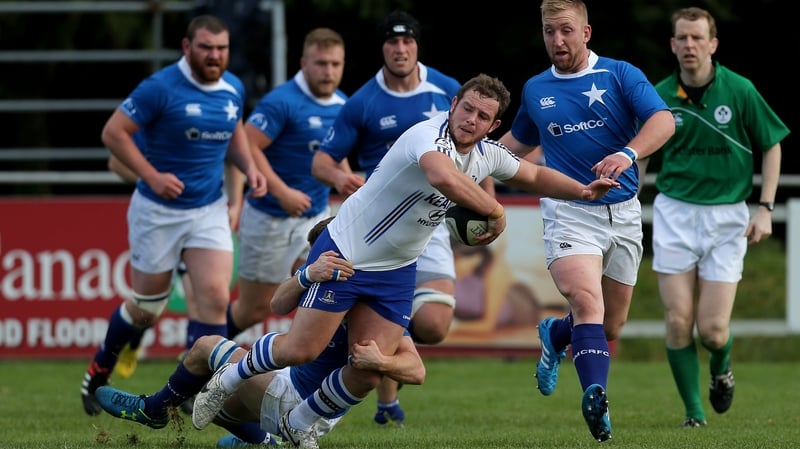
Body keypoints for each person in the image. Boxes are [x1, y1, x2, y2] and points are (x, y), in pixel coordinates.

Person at [192, 73, 619, 449]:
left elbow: (534, 175)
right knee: (300, 349)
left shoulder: (488, 153)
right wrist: (495, 210)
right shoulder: (427, 135)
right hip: (348, 251)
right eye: (466, 108)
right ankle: (227, 380)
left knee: (369, 366)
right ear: (453, 104)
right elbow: (442, 176)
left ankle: (300, 425)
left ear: (494, 126)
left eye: (482, 116)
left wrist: (582, 190)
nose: (470, 119)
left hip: (396, 270)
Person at [497, 0, 676, 442]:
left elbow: (663, 120)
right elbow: (512, 147)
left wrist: (627, 153)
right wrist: (461, 165)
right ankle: (597, 399)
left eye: (566, 30)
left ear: (586, 32)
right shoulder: (536, 89)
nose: (557, 40)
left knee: (609, 325)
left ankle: (555, 333)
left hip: (624, 212)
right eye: (549, 31)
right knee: (586, 302)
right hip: (568, 212)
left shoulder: (619, 74)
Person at [92, 218, 425, 447]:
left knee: (206, 347)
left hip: (304, 401)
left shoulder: (370, 309)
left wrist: (381, 362)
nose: (312, 259)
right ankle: (267, 443)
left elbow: (417, 370)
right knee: (211, 402)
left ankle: (154, 410)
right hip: (292, 387)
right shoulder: (323, 279)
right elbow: (277, 304)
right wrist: (308, 274)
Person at [81, 14, 268, 417]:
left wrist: (249, 167)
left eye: (222, 49)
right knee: (146, 308)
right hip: (157, 211)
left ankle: (197, 390)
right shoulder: (160, 87)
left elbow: (233, 130)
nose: (215, 56)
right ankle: (98, 371)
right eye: (206, 48)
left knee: (216, 298)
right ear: (187, 47)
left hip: (208, 208)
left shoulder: (233, 87)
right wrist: (151, 176)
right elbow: (113, 133)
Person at [310, 10, 475, 425]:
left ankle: (377, 349)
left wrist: (482, 198)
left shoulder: (448, 90)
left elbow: (476, 149)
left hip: (429, 222)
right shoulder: (363, 101)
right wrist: (340, 176)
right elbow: (322, 161)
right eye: (392, 42)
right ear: (382, 48)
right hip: (376, 229)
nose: (400, 49)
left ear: (417, 44)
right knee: (379, 316)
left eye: (407, 41)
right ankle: (385, 403)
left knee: (434, 325)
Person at [639, 7, 790, 429]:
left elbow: (772, 145)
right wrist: (625, 203)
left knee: (713, 331)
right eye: (682, 38)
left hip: (727, 218)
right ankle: (694, 415)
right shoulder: (658, 95)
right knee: (677, 322)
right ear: (672, 45)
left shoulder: (740, 90)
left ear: (713, 44)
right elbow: (641, 153)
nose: (690, 45)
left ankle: (721, 368)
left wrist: (765, 208)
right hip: (674, 213)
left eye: (697, 38)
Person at [224, 27, 349, 344]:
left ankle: (318, 364)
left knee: (326, 289)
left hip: (316, 217)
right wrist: (282, 192)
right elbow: (247, 147)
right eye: (321, 64)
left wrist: (349, 183)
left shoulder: (343, 105)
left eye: (335, 64)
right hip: (271, 219)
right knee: (254, 310)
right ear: (304, 63)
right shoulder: (281, 102)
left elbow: (337, 152)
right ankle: (200, 351)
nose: (328, 71)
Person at [106, 153, 245, 381]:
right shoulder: (157, 136)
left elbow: (234, 159)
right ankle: (134, 342)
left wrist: (235, 203)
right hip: (160, 223)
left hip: (202, 222)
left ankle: (192, 368)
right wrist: (153, 180)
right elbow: (116, 163)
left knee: (202, 301)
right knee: (150, 310)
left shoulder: (216, 132)